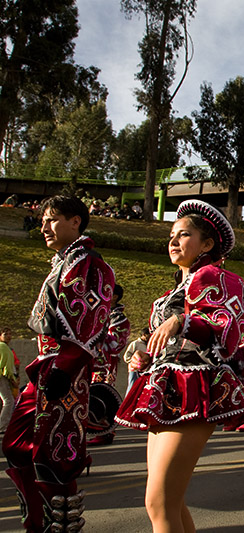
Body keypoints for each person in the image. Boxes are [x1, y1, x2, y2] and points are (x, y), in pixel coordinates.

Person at [114, 199, 244, 533]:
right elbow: (162, 335)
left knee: (158, 502)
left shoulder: (217, 278)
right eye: (171, 236)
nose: (173, 242)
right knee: (170, 502)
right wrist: (145, 354)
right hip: (164, 387)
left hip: (195, 386)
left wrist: (181, 321)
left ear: (207, 244)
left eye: (184, 235)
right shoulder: (175, 288)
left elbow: (226, 328)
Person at [2, 195, 115, 532]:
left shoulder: (90, 264)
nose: (44, 227)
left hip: (65, 371)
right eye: (42, 220)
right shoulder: (63, 262)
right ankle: (37, 524)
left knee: (55, 458)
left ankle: (60, 527)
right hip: (46, 367)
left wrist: (65, 369)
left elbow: (89, 323)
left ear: (75, 221)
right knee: (16, 446)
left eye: (51, 219)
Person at [88, 283, 130, 446]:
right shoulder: (100, 313)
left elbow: (117, 344)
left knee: (103, 395)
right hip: (93, 361)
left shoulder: (118, 318)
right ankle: (95, 429)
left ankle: (105, 431)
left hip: (105, 364)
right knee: (91, 395)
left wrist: (98, 337)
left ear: (114, 297)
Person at [0, 327, 18, 432]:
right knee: (9, 401)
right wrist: (12, 380)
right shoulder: (2, 347)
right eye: (5, 334)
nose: (8, 336)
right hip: (2, 377)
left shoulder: (6, 347)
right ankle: (2, 426)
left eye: (9, 334)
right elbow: (6, 368)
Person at [123, 328, 151, 395]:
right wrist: (134, 361)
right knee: (132, 386)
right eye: (149, 335)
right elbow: (126, 356)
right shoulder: (135, 343)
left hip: (145, 370)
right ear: (144, 335)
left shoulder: (149, 344)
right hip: (134, 370)